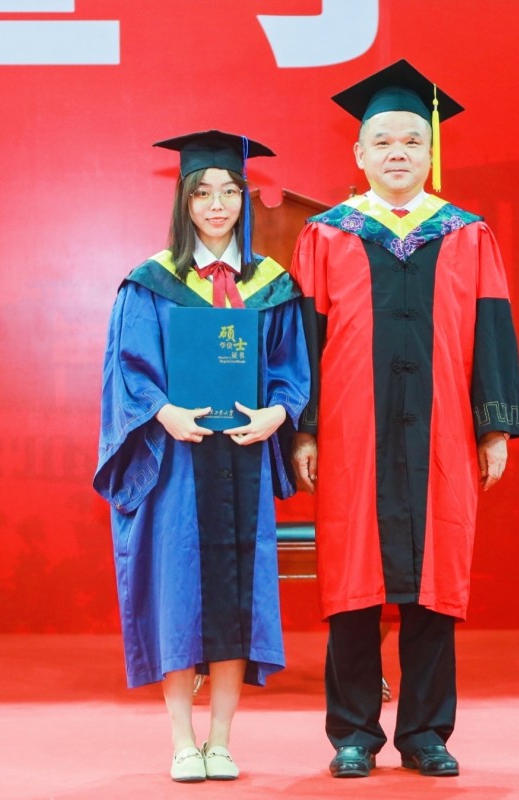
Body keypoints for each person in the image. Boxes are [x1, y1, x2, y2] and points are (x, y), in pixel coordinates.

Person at [288, 60, 519, 779]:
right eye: (384, 141)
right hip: (351, 431)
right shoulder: (327, 235)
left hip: (443, 429)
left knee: (435, 581)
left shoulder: (466, 234)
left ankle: (425, 732)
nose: (398, 153)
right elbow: (302, 341)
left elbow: (492, 332)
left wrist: (494, 427)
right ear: (359, 154)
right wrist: (305, 428)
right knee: (351, 579)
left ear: (431, 153)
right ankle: (354, 734)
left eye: (412, 141)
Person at [93, 129, 310, 783]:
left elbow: (290, 371)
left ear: (243, 200)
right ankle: (183, 740)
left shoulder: (272, 285)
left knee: (239, 593)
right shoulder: (151, 284)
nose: (217, 205)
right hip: (178, 464)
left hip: (243, 459)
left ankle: (222, 739)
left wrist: (278, 413)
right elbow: (129, 374)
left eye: (229, 192)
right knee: (180, 589)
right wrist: (164, 413)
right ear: (184, 201)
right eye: (202, 192)